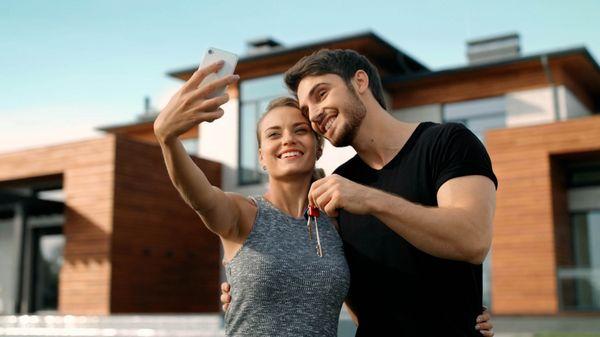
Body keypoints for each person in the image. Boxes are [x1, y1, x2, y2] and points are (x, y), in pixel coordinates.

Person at [221, 49, 497, 337]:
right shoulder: (339, 185)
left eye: (322, 94)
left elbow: (473, 239)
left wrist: (369, 199)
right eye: (306, 110)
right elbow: (338, 282)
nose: (314, 114)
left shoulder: (447, 143)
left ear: (360, 81)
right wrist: (245, 289)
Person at [153, 61, 350, 336]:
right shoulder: (243, 213)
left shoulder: (337, 221)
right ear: (261, 157)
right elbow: (201, 196)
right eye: (274, 134)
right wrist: (168, 139)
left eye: (300, 130)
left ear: (318, 148)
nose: (288, 139)